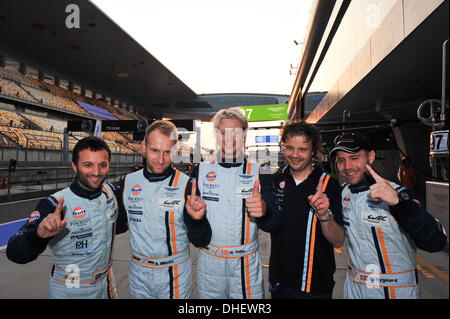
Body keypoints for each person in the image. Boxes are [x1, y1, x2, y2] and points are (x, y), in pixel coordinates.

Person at [330, 133, 447, 299]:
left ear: (370, 157)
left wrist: (399, 203)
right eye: (341, 160)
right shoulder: (342, 194)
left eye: (354, 158)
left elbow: (436, 242)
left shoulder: (398, 194)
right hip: (354, 289)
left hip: (396, 292)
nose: (347, 166)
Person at [6, 136, 121, 299]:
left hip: (107, 285)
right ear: (74, 166)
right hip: (70, 290)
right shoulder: (54, 204)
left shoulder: (111, 193)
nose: (96, 172)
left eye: (103, 165)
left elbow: (121, 223)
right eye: (88, 165)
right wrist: (37, 236)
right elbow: (15, 252)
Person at [189, 107, 282, 299]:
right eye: (224, 132)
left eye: (236, 133)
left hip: (245, 263)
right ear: (216, 135)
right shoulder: (200, 171)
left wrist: (265, 211)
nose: (230, 138)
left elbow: (276, 224)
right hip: (210, 262)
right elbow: (195, 236)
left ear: (245, 136)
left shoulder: (260, 171)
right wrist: (196, 221)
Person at [116, 120, 211, 299]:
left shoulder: (187, 185)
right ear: (144, 146)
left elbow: (201, 240)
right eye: (154, 151)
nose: (160, 159)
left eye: (167, 152)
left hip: (175, 273)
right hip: (139, 273)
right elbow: (118, 225)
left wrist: (198, 221)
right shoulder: (127, 182)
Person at [269, 121, 345, 299]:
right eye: (289, 148)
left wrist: (324, 215)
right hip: (279, 284)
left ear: (313, 152)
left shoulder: (329, 184)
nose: (295, 155)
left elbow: (338, 241)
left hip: (316, 287)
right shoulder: (275, 181)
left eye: (302, 149)